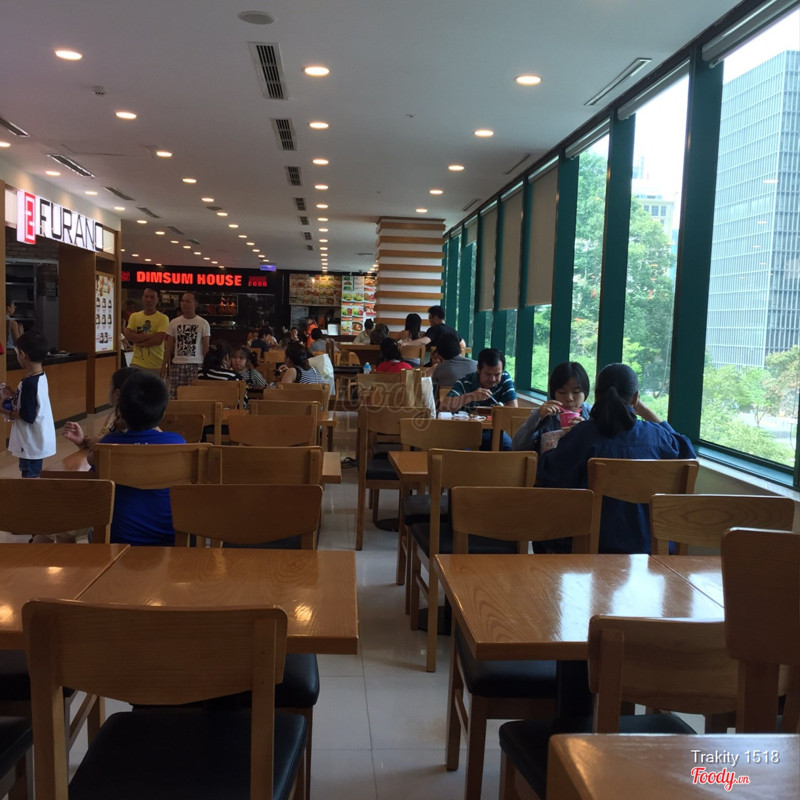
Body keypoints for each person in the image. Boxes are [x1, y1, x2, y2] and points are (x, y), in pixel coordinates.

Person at [537, 362, 696, 554]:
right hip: (653, 549)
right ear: (635, 398)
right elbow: (688, 454)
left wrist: (551, 445)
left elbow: (549, 477)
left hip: (588, 548)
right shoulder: (659, 437)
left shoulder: (583, 435)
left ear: (596, 395)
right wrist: (641, 408)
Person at [92, 371, 186, 545]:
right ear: (163, 413)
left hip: (119, 541)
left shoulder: (107, 445)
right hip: (168, 539)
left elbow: (94, 481)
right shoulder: (177, 443)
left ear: (121, 411)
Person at [3, 329, 55, 477]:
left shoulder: (30, 383)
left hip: (30, 442)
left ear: (22, 354)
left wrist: (4, 411)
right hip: (35, 441)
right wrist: (14, 394)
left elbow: (28, 415)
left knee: (30, 477)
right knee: (31, 474)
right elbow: (30, 402)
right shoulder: (38, 376)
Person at [442, 348, 518, 449]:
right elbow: (445, 406)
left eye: (497, 374)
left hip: (495, 432)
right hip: (466, 433)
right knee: (461, 454)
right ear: (478, 369)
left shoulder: (504, 379)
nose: (492, 379)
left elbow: (513, 409)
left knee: (512, 450)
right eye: (488, 374)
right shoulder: (464, 383)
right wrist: (471, 396)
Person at [512, 361, 592, 452]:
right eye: (562, 392)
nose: (569, 398)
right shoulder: (545, 414)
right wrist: (537, 416)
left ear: (585, 392)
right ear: (554, 393)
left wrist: (585, 430)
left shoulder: (593, 415)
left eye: (576, 392)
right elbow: (517, 447)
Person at [63, 367, 137, 452]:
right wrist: (82, 442)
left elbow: (101, 450)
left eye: (110, 385)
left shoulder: (127, 425)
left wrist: (97, 443)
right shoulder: (114, 415)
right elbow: (97, 451)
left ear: (117, 394)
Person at [160, 292, 210, 399]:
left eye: (188, 301)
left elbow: (206, 347)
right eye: (182, 301)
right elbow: (168, 346)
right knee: (175, 396)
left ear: (195, 304)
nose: (184, 304)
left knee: (194, 396)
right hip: (177, 364)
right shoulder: (174, 322)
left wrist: (207, 367)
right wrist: (164, 365)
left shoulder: (203, 323)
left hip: (196, 365)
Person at [123, 287, 169, 376]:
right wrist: (151, 336)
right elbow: (128, 336)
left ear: (158, 300)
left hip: (156, 365)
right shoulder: (134, 316)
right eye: (146, 296)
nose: (149, 299)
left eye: (152, 297)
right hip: (136, 363)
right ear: (142, 298)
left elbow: (158, 340)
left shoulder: (163, 318)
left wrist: (138, 341)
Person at [429, 332, 477, 399]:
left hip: (448, 404)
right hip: (474, 404)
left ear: (440, 354)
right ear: (459, 348)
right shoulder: (476, 365)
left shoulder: (439, 369)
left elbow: (430, 389)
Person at [400, 305, 465, 352]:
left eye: (430, 318)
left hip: (438, 363)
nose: (429, 320)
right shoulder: (453, 331)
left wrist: (406, 343)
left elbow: (424, 341)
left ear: (435, 317)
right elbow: (463, 345)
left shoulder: (434, 329)